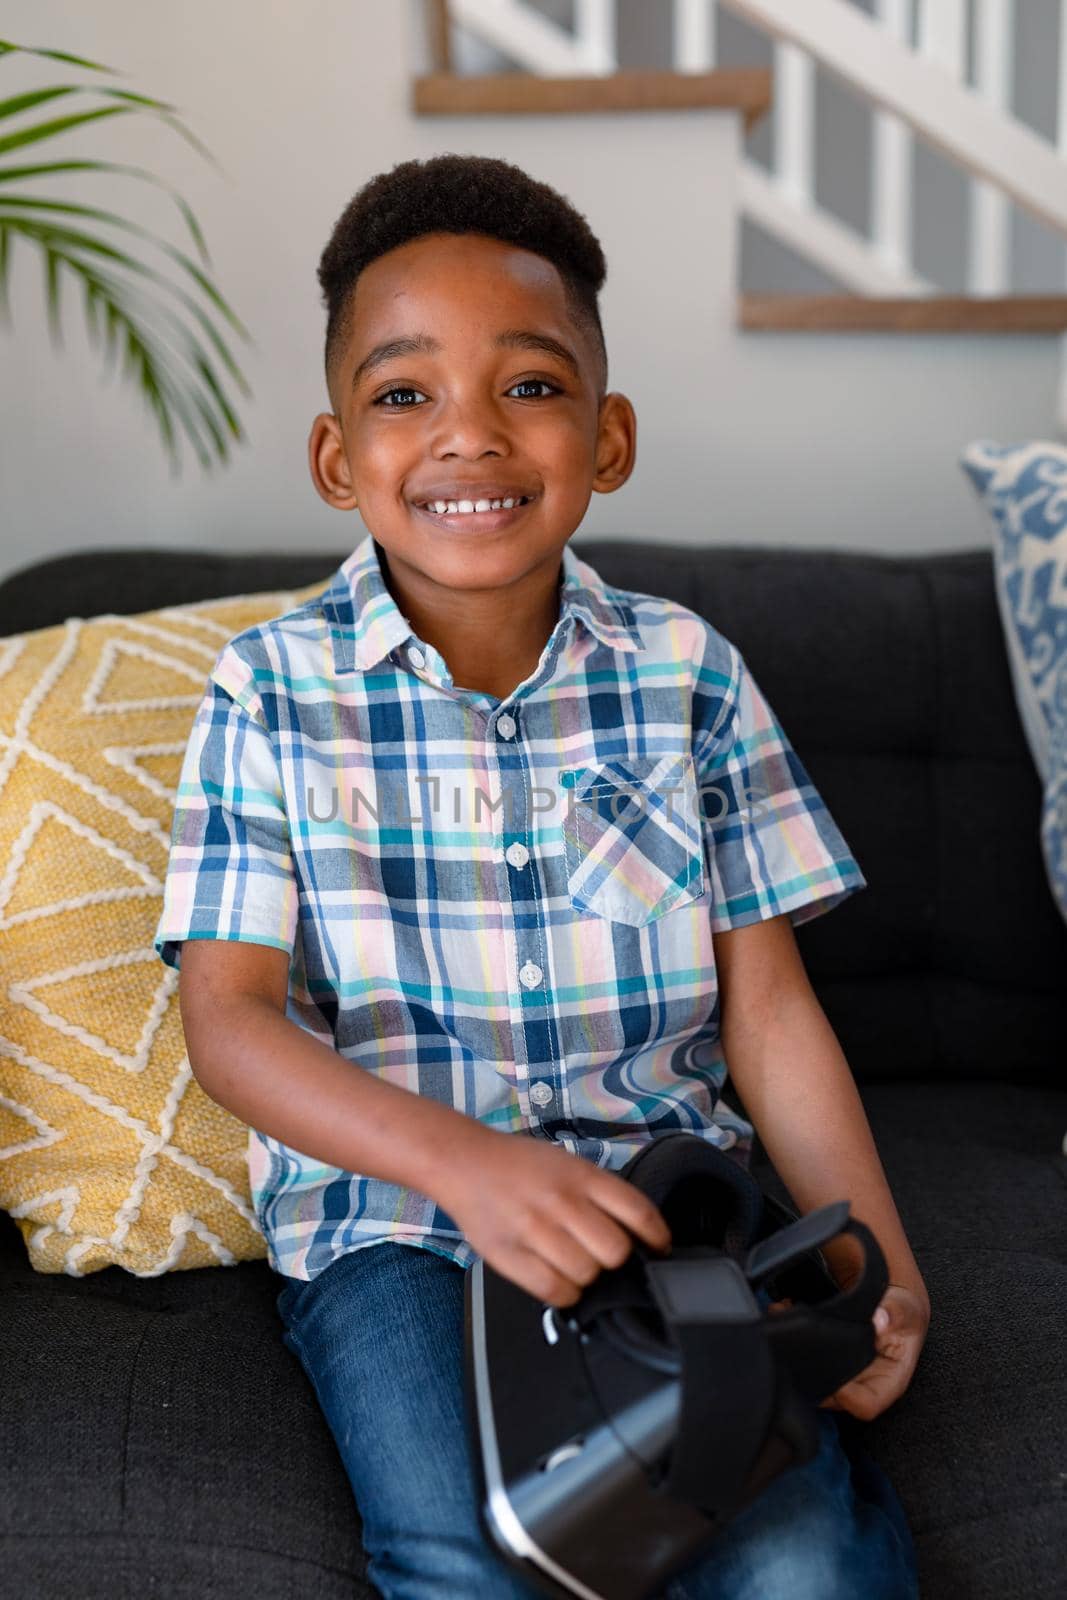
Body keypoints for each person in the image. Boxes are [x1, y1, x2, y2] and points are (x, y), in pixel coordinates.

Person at [154, 153, 929, 1599]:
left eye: (528, 385)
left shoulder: (688, 674)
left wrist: (877, 1258)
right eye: (403, 395)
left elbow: (769, 1015)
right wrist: (468, 1169)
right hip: (395, 1230)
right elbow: (232, 1023)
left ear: (607, 433)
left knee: (803, 1562)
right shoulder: (267, 692)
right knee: (471, 1557)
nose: (471, 438)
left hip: (670, 1210)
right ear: (337, 459)